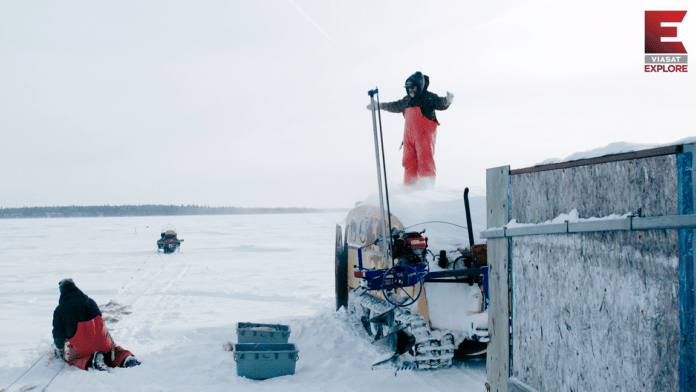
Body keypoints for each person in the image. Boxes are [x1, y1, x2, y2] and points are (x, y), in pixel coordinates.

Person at [367, 71, 454, 187]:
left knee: (425, 162)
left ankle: (426, 189)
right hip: (408, 139)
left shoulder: (428, 98)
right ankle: (409, 188)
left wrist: (447, 101)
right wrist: (379, 106)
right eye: (409, 88)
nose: (411, 90)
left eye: (414, 87)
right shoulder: (406, 101)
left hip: (424, 138)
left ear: (420, 86)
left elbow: (440, 104)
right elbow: (394, 106)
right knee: (408, 163)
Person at [52, 278, 141, 371]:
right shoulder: (90, 301)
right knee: (115, 352)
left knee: (73, 359)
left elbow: (58, 335)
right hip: (103, 341)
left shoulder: (60, 310)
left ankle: (92, 361)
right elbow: (100, 318)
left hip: (83, 347)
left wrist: (60, 350)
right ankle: (127, 359)